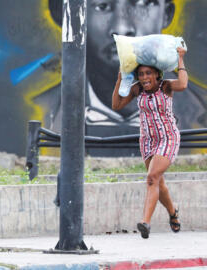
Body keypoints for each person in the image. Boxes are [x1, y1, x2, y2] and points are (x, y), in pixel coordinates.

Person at [36, 0, 207, 155]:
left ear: (166, 14)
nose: (122, 27)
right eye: (102, 6)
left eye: (142, 3)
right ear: (72, 17)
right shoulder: (38, 112)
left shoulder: (201, 112)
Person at [111, 47, 187, 239]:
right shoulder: (136, 89)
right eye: (141, 74)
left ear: (157, 74)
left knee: (152, 177)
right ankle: (173, 212)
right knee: (157, 182)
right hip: (147, 141)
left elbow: (184, 84)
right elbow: (116, 105)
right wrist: (120, 79)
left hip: (168, 137)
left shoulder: (166, 86)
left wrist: (180, 58)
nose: (144, 78)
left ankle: (145, 222)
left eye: (148, 74)